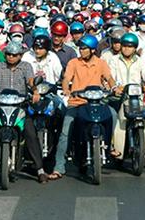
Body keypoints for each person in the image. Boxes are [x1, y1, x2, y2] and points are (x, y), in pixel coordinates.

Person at [50, 34, 118, 180]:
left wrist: (114, 87)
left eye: (85, 48)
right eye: (80, 48)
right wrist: (67, 90)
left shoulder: (101, 63)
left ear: (93, 50)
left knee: (113, 114)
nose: (81, 51)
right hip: (77, 102)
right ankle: (59, 167)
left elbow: (109, 78)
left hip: (97, 103)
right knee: (65, 132)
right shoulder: (73, 63)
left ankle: (109, 144)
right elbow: (66, 79)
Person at [0, 41, 48, 183]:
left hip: (20, 105)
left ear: (20, 56)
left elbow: (31, 81)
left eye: (14, 55)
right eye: (9, 54)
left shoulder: (26, 67)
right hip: (0, 104)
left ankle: (39, 168)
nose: (11, 57)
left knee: (30, 132)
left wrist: (35, 92)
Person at [106, 32, 145, 169]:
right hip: (119, 97)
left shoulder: (140, 61)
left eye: (130, 46)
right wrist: (115, 87)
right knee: (117, 118)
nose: (126, 49)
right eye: (124, 46)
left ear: (135, 48)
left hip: (136, 98)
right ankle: (114, 147)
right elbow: (110, 77)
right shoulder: (114, 60)